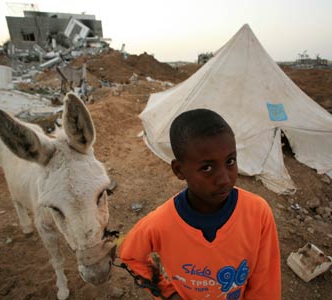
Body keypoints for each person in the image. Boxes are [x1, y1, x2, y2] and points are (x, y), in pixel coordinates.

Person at [119, 109, 281, 300]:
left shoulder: (257, 213)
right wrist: (167, 292)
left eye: (230, 161)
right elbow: (130, 255)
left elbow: (265, 284)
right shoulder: (160, 224)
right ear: (179, 170)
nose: (224, 179)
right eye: (207, 168)